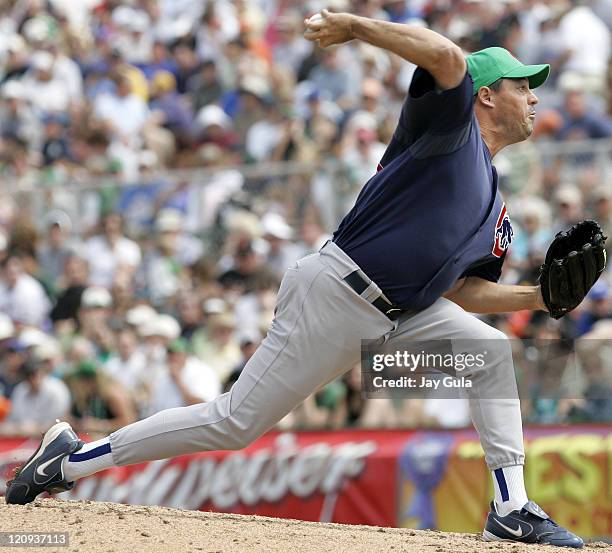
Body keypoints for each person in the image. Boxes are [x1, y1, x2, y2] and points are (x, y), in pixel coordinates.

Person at [5, 9, 583, 548]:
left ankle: (510, 507)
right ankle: (70, 459)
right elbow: (447, 57)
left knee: (485, 350)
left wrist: (538, 297)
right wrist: (355, 27)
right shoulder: (448, 129)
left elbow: (464, 291)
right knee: (233, 424)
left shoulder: (494, 204)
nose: (533, 98)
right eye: (521, 86)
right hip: (335, 294)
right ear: (487, 96)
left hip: (400, 320)